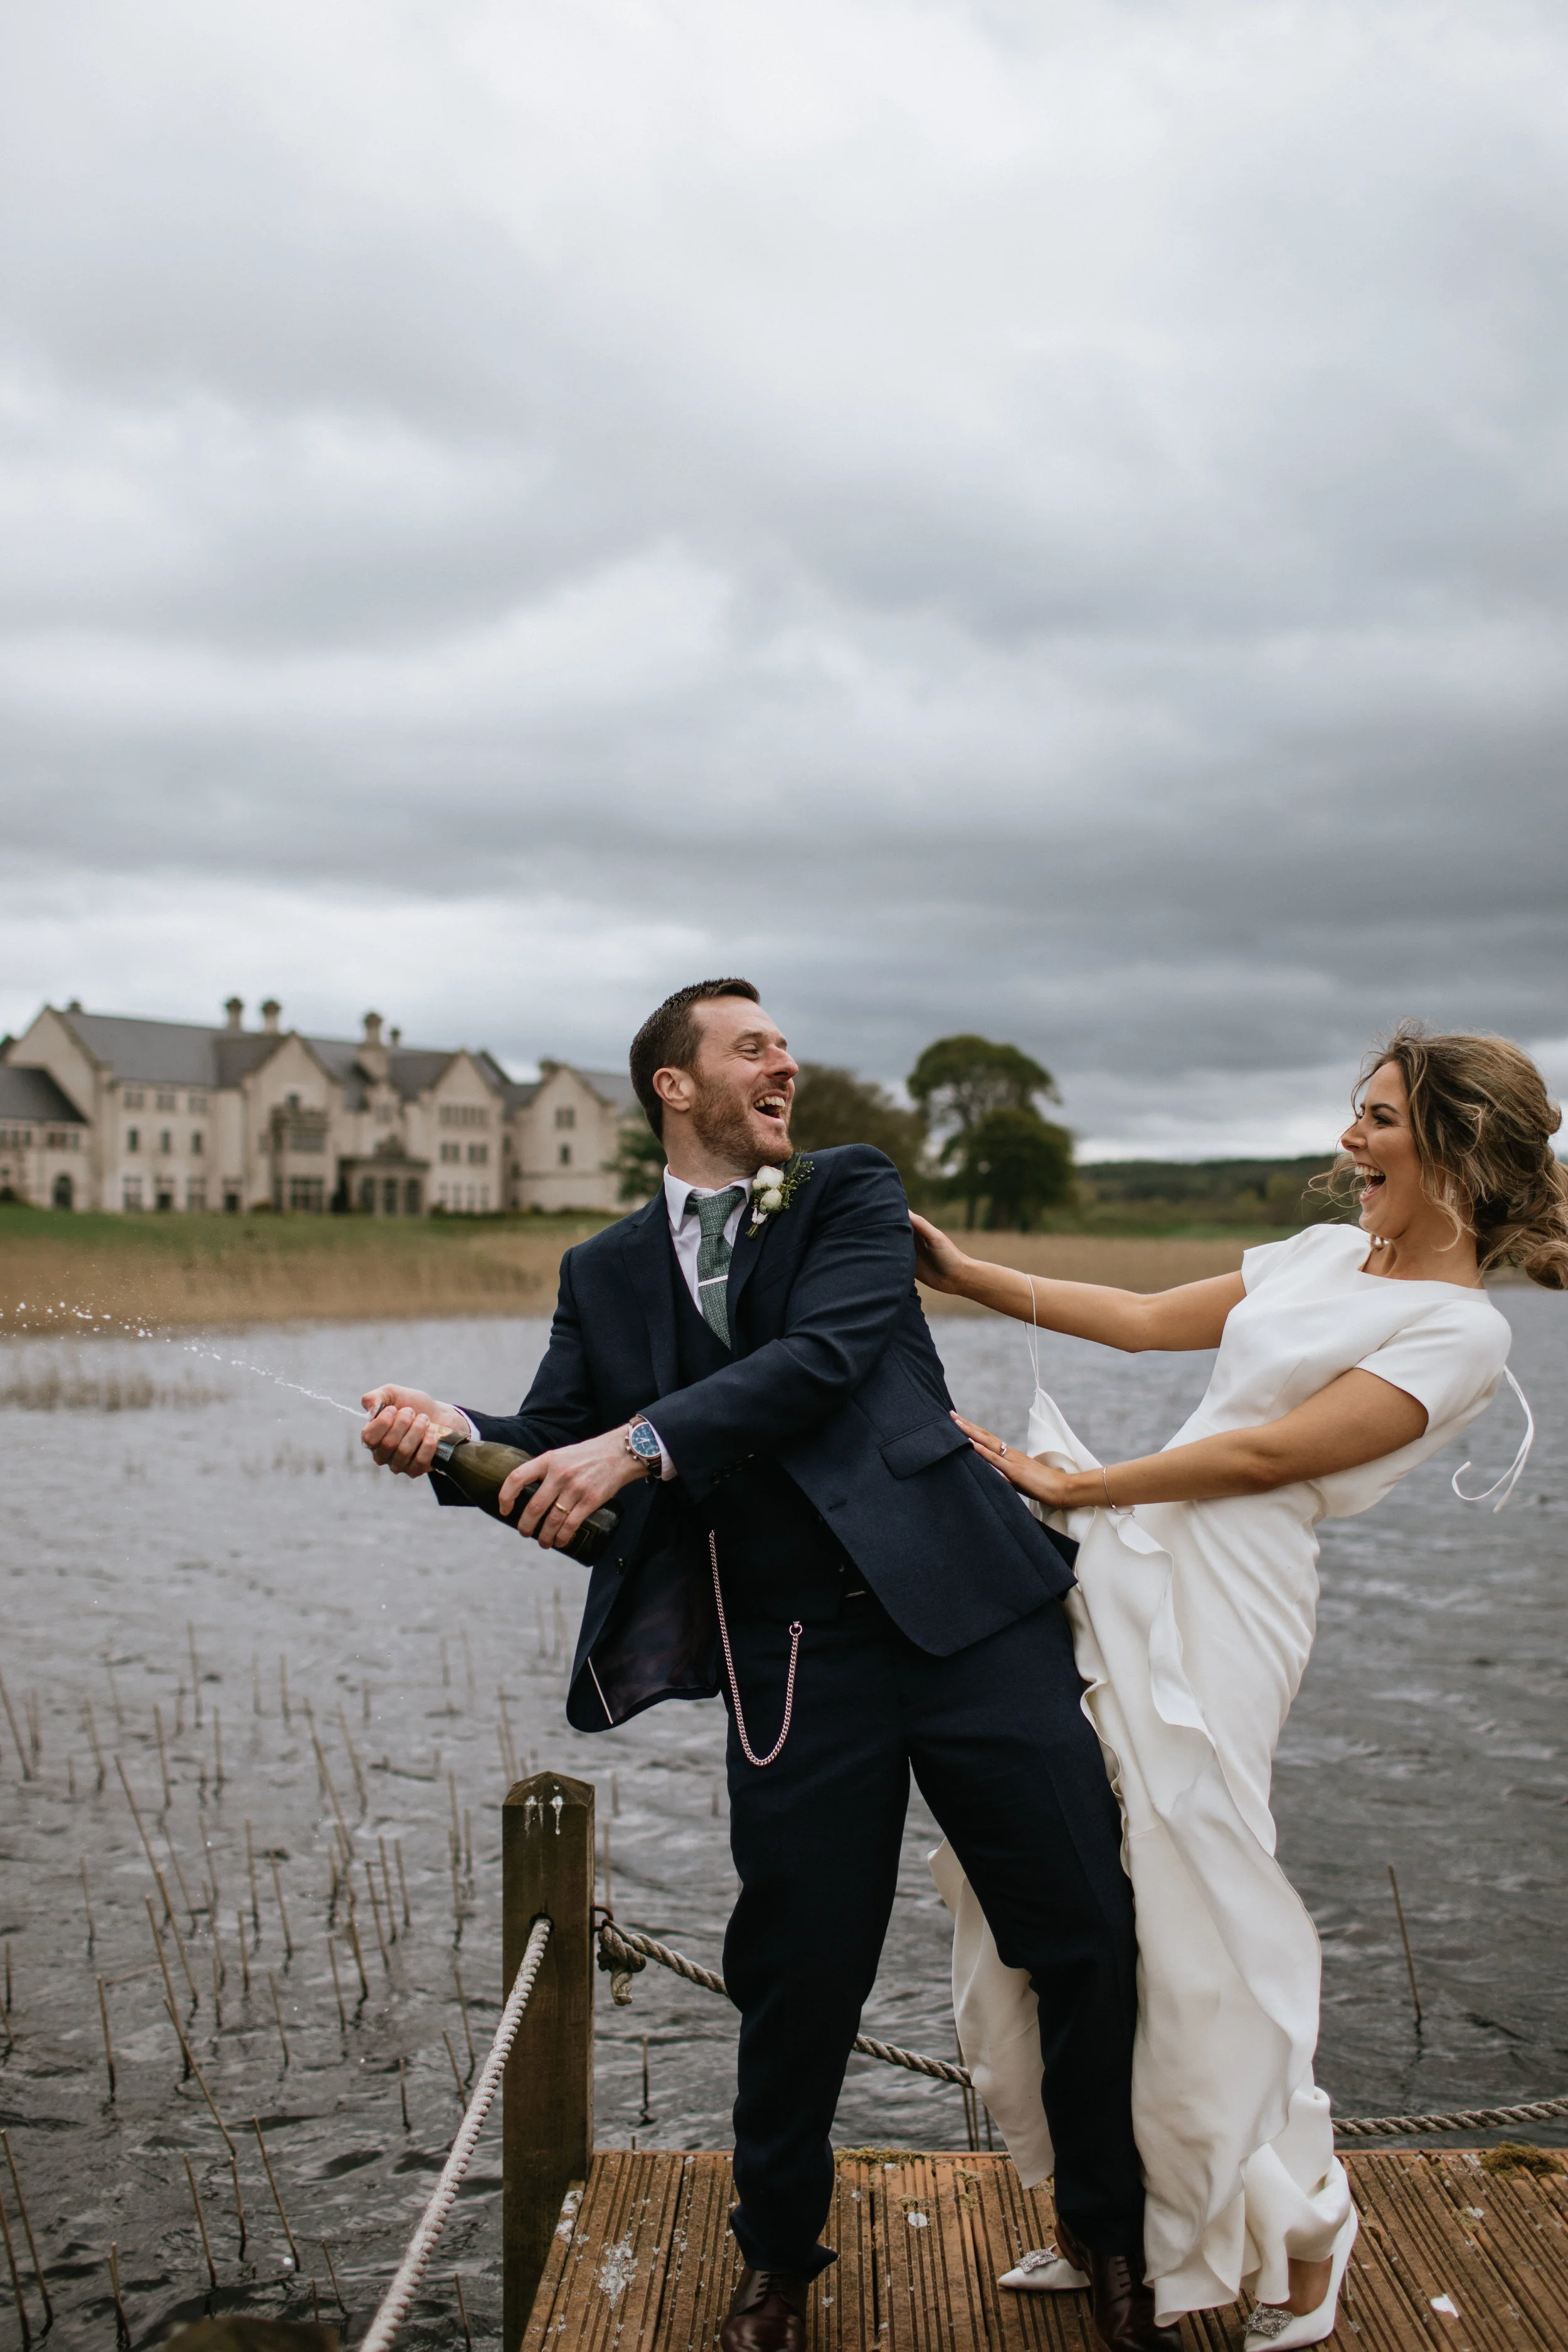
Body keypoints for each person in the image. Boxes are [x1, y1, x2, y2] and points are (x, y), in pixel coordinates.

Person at [361, 979, 1174, 2352]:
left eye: (782, 1044)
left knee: (1081, 1934)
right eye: (751, 1048)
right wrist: (453, 1437)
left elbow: (823, 1357)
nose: (782, 1062)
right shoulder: (604, 1272)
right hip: (794, 1658)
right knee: (797, 1972)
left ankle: (1108, 2238)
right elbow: (563, 1439)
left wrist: (637, 1441)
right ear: (674, 1087)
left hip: (974, 1618)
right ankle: (777, 2265)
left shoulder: (850, 1191)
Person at [912, 1024, 1567, 2349]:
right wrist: (958, 1269)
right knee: (1065, 1881)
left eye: (1376, 1119)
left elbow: (1271, 1458)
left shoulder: (1460, 1332)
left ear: (1452, 1147)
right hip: (1133, 1555)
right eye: (1354, 1113)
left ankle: (1306, 2224)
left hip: (1231, 1593)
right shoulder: (1325, 1254)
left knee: (1187, 1907)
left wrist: (1079, 1485)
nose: (1347, 1142)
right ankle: (1116, 2214)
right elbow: (1149, 1324)